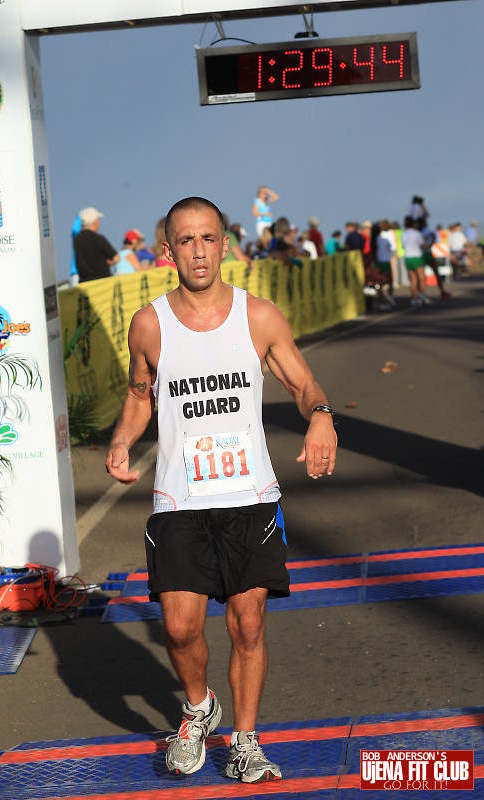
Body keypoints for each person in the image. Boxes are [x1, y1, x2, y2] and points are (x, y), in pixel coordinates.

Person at [105, 196, 337, 784]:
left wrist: (321, 415)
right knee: (181, 628)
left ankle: (247, 739)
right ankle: (197, 707)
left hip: (250, 497)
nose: (199, 250)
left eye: (208, 238)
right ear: (168, 252)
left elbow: (302, 381)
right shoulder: (150, 323)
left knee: (249, 625)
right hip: (180, 499)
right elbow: (140, 393)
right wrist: (122, 442)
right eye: (186, 240)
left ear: (225, 245)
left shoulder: (257, 317)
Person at [73, 207, 119, 282]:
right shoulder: (99, 239)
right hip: (102, 282)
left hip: (85, 284)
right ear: (95, 222)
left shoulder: (76, 240)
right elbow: (116, 258)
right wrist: (110, 262)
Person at [402, 217, 430, 306]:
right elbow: (422, 246)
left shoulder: (404, 234)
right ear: (413, 224)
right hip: (416, 257)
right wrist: (429, 242)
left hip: (407, 258)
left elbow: (403, 246)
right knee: (421, 278)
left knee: (413, 279)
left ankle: (414, 298)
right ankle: (422, 296)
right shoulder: (417, 233)